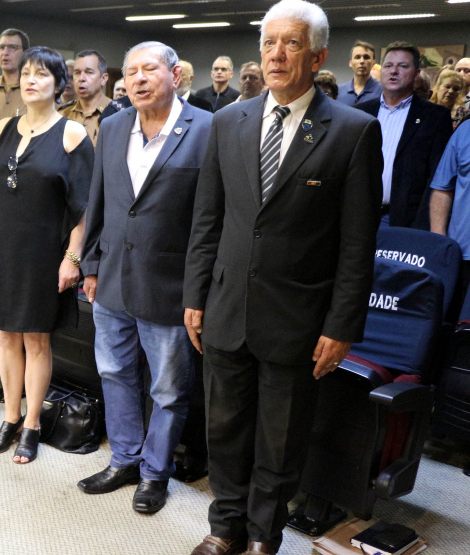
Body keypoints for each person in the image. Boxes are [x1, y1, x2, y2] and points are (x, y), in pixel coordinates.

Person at [183, 1, 382, 553]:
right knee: (223, 432)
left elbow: (357, 244)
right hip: (225, 308)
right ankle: (224, 529)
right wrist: (194, 295)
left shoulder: (352, 132)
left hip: (299, 319)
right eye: (269, 42)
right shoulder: (229, 122)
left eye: (291, 44)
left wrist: (342, 326)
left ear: (317, 56)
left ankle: (263, 537)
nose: (275, 54)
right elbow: (208, 220)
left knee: (280, 440)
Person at [77, 41, 212, 515]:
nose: (138, 78)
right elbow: (100, 201)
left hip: (170, 285)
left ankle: (156, 473)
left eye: (149, 69)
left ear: (174, 75)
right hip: (112, 276)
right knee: (113, 372)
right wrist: (89, 264)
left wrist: (199, 291)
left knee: (168, 389)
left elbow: (210, 221)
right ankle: (125, 460)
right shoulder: (112, 127)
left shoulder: (207, 129)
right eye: (131, 71)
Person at [0, 46, 93, 464]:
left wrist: (72, 258)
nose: (30, 80)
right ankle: (10, 416)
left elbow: (84, 206)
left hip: (44, 254)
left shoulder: (72, 134)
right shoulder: (2, 127)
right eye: (26, 73)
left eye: (41, 74)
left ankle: (33, 425)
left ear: (59, 85)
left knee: (37, 342)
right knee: (5, 335)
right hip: (4, 249)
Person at [354, 42, 452, 229]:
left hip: (407, 220)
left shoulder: (435, 117)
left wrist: (424, 224)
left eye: (403, 66)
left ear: (416, 74)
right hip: (360, 217)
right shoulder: (359, 114)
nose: (394, 71)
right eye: (389, 66)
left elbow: (437, 178)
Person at [430, 119, 470, 317]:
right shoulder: (465, 130)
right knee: (455, 330)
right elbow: (442, 189)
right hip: (462, 254)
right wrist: (440, 242)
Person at [59, 50, 111, 147]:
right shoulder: (62, 114)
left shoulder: (117, 114)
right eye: (77, 73)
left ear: (103, 79)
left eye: (89, 72)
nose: (81, 78)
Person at [0, 28, 29, 124]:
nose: (5, 52)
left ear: (25, 53)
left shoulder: (33, 89)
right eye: (1, 47)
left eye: (12, 47)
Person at [338, 40, 382, 106]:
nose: (362, 61)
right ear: (350, 63)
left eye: (366, 57)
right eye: (357, 57)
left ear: (373, 63)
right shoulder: (339, 91)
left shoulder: (383, 91)